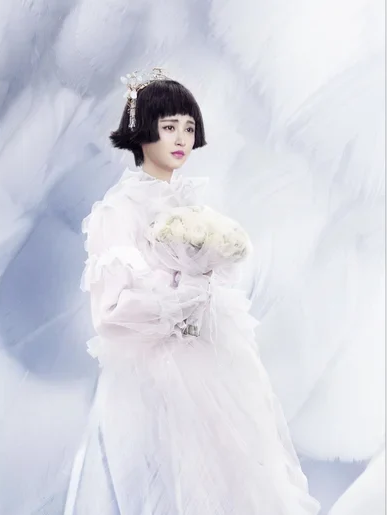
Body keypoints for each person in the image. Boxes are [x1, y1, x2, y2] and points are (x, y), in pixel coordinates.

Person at [66, 67, 321, 515]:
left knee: (242, 476)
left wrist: (206, 281)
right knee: (175, 486)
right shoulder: (118, 211)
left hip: (216, 361)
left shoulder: (191, 205)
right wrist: (180, 298)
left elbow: (214, 283)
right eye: (169, 127)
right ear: (142, 131)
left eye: (188, 127)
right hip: (155, 375)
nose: (181, 138)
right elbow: (110, 311)